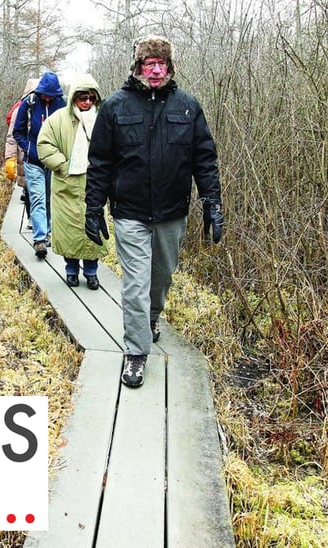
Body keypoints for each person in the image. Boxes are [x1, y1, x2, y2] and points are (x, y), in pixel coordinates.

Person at [85, 35, 224, 388]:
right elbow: (100, 162)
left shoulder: (188, 107)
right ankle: (135, 353)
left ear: (171, 67)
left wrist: (212, 203)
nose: (157, 71)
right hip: (130, 213)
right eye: (150, 64)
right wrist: (93, 208)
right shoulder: (115, 107)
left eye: (162, 64)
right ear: (138, 67)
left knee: (159, 280)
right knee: (135, 285)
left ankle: (152, 318)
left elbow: (204, 160)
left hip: (171, 213)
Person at [37, 74, 107, 289]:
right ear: (74, 98)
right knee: (68, 231)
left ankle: (92, 272)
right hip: (65, 187)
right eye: (82, 97)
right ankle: (71, 271)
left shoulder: (103, 120)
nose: (86, 102)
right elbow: (44, 145)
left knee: (93, 231)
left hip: (94, 186)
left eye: (91, 98)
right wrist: (64, 166)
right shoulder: (58, 119)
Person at [13, 71, 66, 259]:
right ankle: (40, 239)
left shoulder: (63, 104)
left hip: (54, 160)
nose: (47, 98)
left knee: (51, 198)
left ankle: (49, 230)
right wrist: (28, 149)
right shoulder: (29, 103)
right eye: (44, 94)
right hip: (33, 161)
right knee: (37, 198)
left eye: (50, 95)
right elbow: (17, 132)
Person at [5, 78, 39, 227]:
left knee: (40, 191)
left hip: (42, 156)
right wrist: (10, 158)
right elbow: (12, 137)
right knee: (29, 189)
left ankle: (41, 220)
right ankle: (31, 217)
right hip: (24, 155)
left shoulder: (47, 108)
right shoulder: (20, 110)